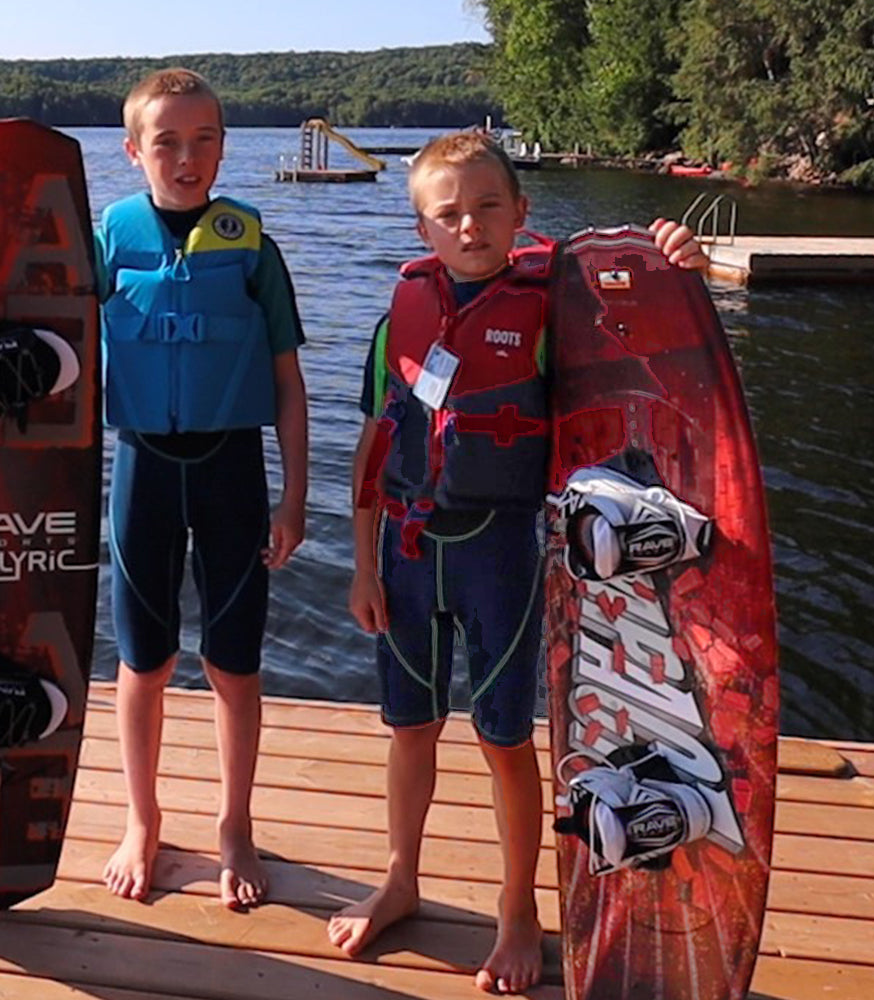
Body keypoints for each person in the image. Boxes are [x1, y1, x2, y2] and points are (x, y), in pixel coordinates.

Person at [329, 130, 706, 993]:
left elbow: (641, 339)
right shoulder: (402, 315)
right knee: (408, 727)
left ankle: (515, 908)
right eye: (448, 213)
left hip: (499, 550)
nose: (470, 226)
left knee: (503, 739)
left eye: (487, 207)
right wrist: (359, 565)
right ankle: (400, 877)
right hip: (407, 550)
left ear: (520, 213)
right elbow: (373, 441)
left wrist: (673, 266)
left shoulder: (551, 311)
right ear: (424, 229)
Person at [97, 68, 308, 908]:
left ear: (225, 142)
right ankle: (141, 819)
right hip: (142, 469)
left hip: (231, 472)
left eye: (205, 139)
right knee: (141, 663)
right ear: (134, 151)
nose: (187, 158)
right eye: (167, 142)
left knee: (235, 666)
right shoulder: (109, 237)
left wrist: (294, 497)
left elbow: (289, 380)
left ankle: (234, 824)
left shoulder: (250, 242)